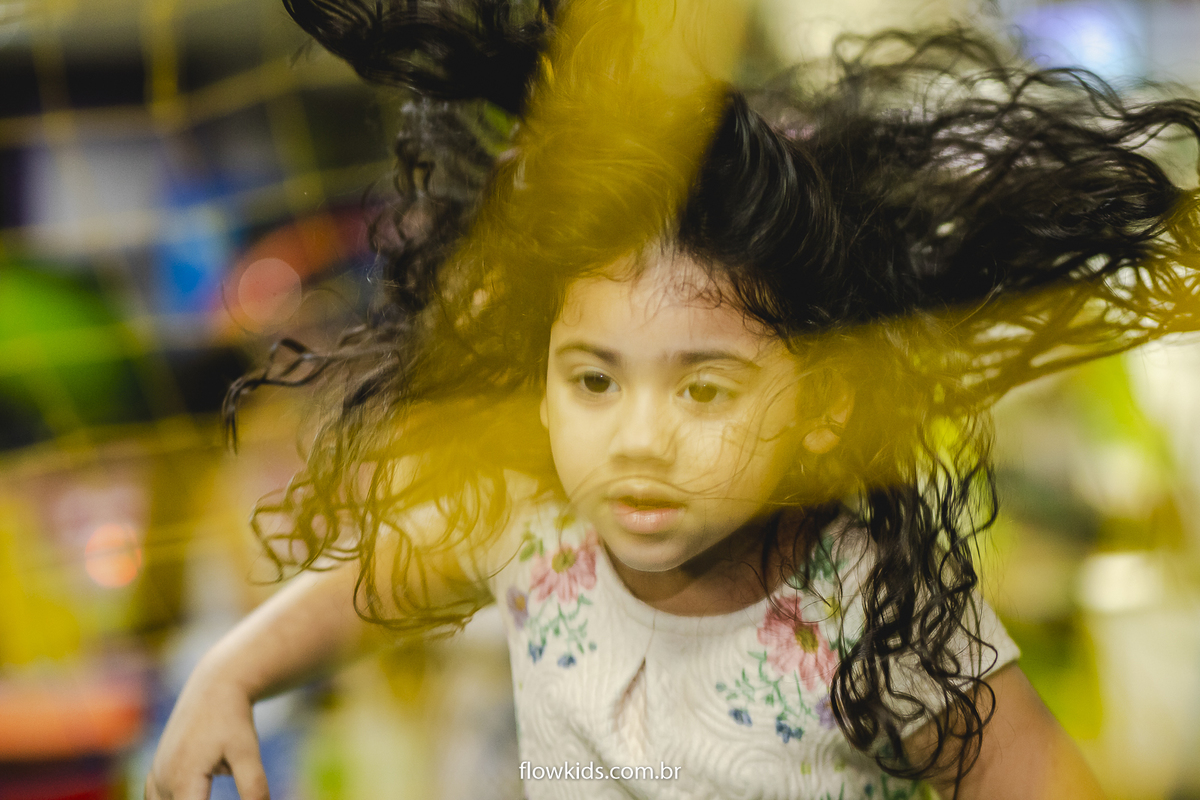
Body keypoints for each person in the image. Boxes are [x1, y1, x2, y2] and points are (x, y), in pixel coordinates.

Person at [145, 0, 1200, 798]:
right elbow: (368, 576)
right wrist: (228, 673)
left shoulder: (864, 604)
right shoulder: (532, 529)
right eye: (593, 380)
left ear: (823, 409)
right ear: (539, 391)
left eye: (704, 388)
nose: (640, 437)